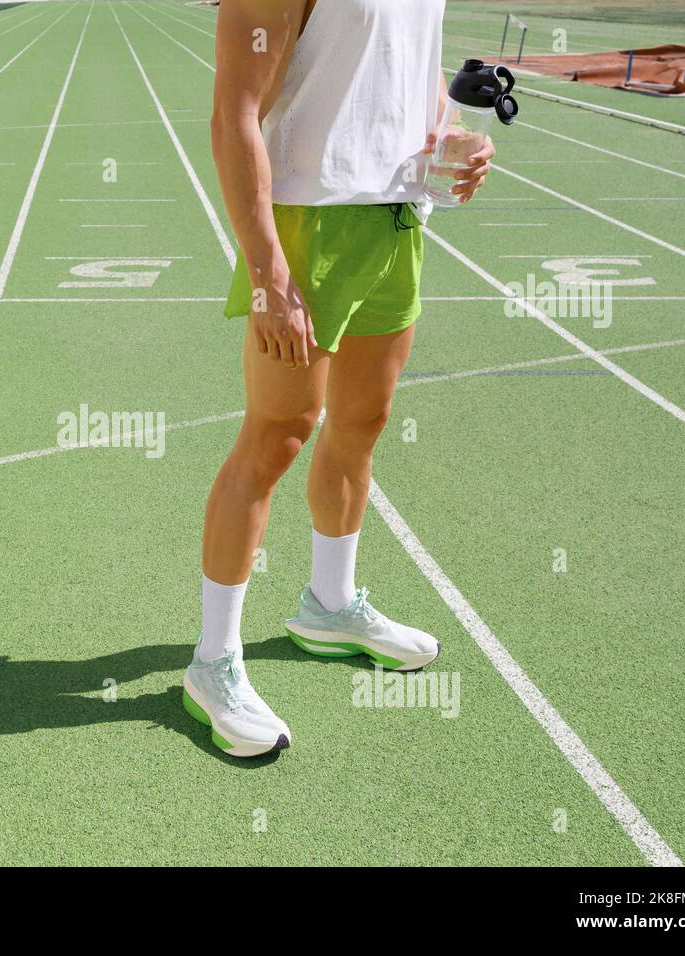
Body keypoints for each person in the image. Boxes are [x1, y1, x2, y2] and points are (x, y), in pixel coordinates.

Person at [182, 0, 495, 757]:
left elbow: (386, 89)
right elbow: (235, 115)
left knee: (362, 425)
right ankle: (212, 662)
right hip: (306, 225)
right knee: (277, 438)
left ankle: (330, 604)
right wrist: (267, 271)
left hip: (394, 216)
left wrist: (448, 142)